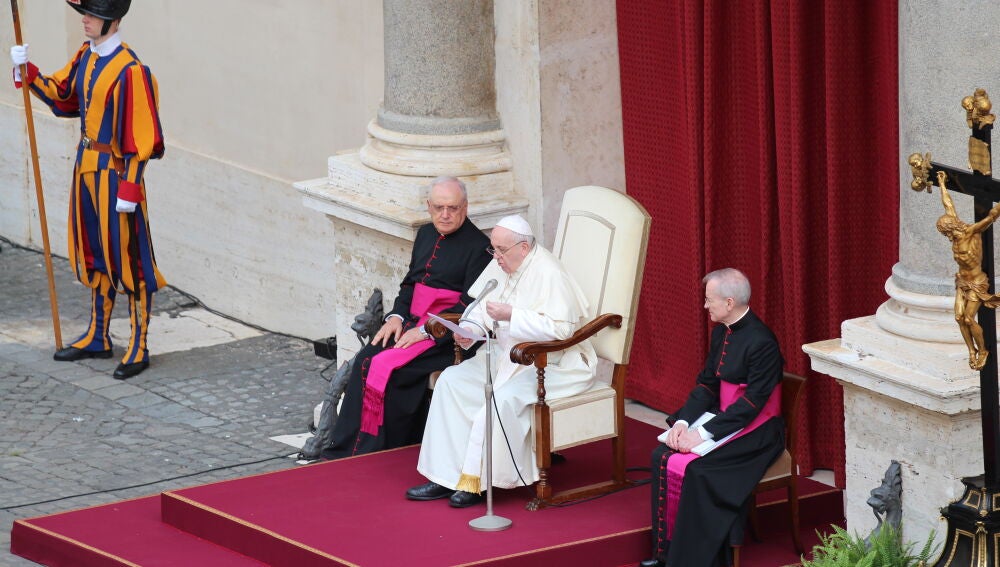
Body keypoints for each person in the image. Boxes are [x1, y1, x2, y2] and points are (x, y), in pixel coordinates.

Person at [10, 0, 166, 380]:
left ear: (111, 20)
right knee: (94, 254)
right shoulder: (86, 56)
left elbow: (142, 136)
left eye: (92, 14)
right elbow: (64, 97)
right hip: (86, 170)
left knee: (128, 259)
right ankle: (99, 335)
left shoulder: (132, 71)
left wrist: (130, 187)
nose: (85, 19)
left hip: (115, 174)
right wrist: (26, 71)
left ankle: (139, 342)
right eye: (85, 12)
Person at [406, 214, 597, 508]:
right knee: (450, 381)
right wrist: (469, 330)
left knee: (499, 398)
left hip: (551, 364)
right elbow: (482, 307)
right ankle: (444, 476)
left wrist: (513, 316)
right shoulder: (505, 262)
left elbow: (561, 331)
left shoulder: (548, 273)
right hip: (505, 357)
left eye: (501, 251)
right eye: (493, 249)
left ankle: (476, 482)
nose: (495, 257)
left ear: (523, 247)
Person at [320, 176, 492, 459]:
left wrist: (426, 331)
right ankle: (347, 447)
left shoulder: (479, 248)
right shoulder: (425, 234)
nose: (445, 215)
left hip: (444, 337)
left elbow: (469, 308)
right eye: (438, 207)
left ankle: (386, 451)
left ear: (465, 207)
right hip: (411, 322)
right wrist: (396, 317)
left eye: (452, 208)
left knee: (393, 371)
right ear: (428, 206)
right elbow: (410, 284)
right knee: (365, 359)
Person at [640, 268, 785, 567]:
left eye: (710, 300)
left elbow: (752, 403)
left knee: (700, 470)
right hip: (725, 417)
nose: (705, 306)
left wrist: (703, 434)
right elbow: (708, 383)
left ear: (729, 303)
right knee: (661, 455)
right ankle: (664, 552)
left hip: (758, 430)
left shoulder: (763, 342)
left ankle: (694, 559)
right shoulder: (722, 331)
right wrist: (682, 423)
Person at [933, 170, 1000, 370]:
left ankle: (983, 350)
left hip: (977, 282)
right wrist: (942, 183)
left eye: (947, 232)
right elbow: (948, 204)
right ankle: (971, 351)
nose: (947, 237)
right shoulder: (954, 232)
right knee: (958, 317)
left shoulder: (970, 232)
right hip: (961, 281)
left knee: (969, 318)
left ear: (953, 227)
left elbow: (989, 218)